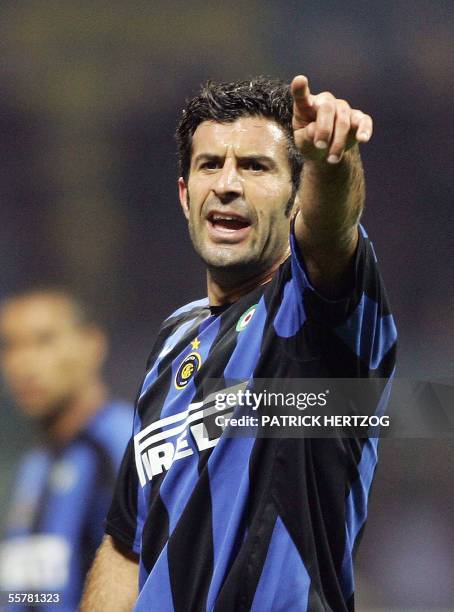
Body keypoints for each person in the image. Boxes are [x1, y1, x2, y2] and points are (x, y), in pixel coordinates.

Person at [81, 74, 397, 611]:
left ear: (298, 198)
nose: (227, 184)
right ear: (185, 196)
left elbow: (331, 233)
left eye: (255, 166)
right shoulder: (171, 344)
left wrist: (329, 161)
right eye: (210, 165)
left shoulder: (315, 315)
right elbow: (127, 543)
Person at [0, 288, 133, 611]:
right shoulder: (35, 465)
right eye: (9, 347)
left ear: (92, 344)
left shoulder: (125, 445)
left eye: (44, 340)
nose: (23, 364)